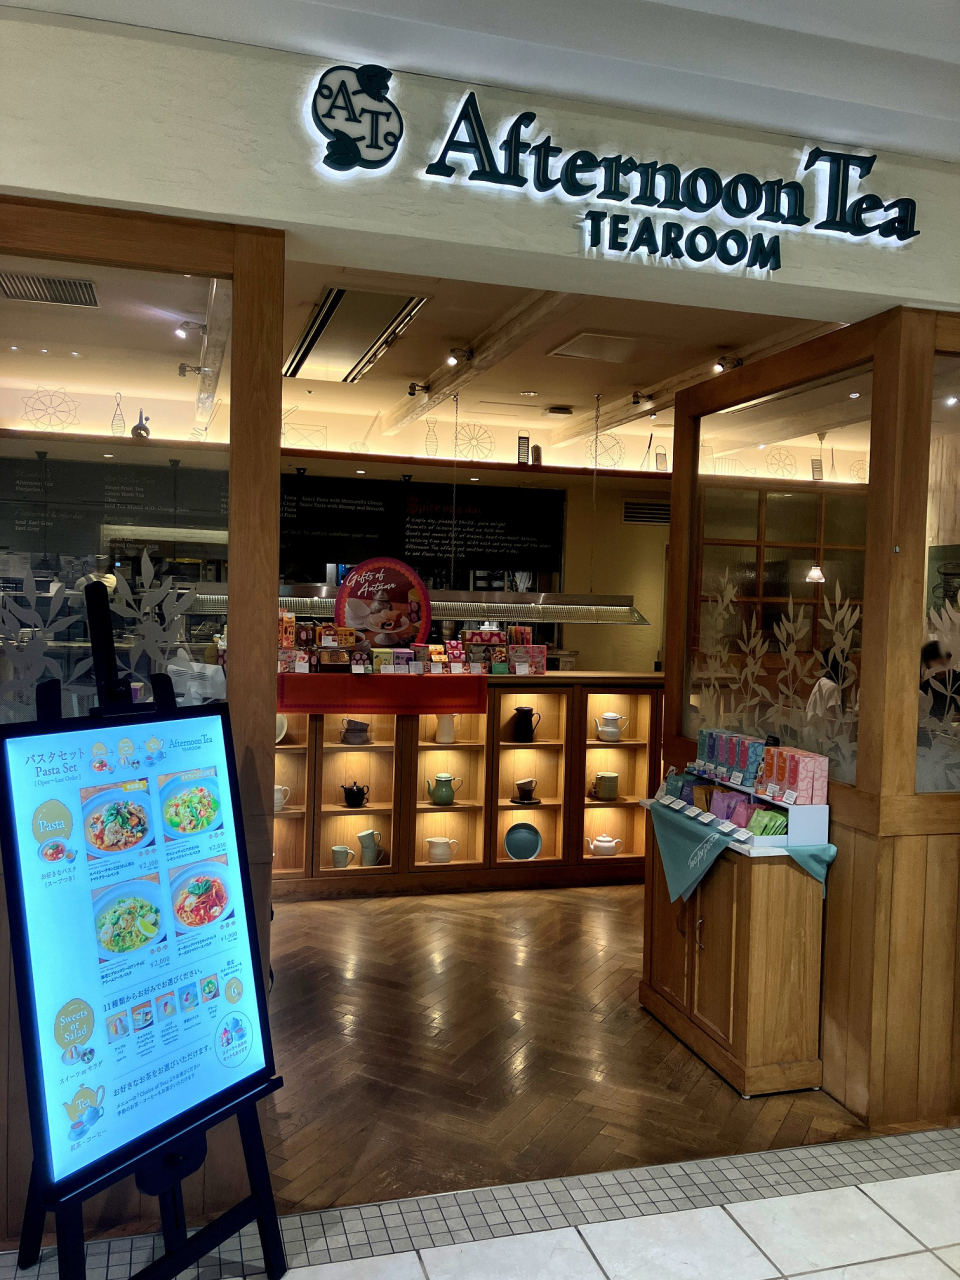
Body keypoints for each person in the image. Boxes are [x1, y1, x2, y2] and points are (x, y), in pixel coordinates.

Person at [920, 640, 958, 722]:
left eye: (941, 658)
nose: (938, 663)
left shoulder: (958, 681)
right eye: (933, 659)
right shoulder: (927, 685)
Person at [806, 653, 843, 720]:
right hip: (819, 726)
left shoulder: (822, 681)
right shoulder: (832, 687)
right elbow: (835, 718)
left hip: (811, 725)